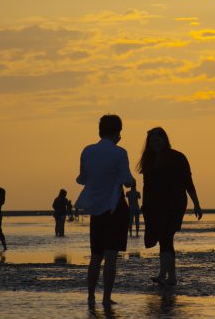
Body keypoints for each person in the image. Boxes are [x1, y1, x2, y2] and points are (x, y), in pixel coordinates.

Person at [76, 114, 135, 306]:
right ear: (118, 132)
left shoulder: (87, 151)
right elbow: (127, 180)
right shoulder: (119, 152)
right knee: (111, 257)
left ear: (100, 130)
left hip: (97, 209)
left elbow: (83, 178)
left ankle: (91, 295)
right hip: (115, 208)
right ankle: (106, 298)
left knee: (95, 256)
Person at [138, 126, 203, 286]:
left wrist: (196, 203)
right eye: (151, 141)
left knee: (166, 237)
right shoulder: (149, 159)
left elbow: (188, 182)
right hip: (154, 206)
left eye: (157, 140)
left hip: (174, 204)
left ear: (165, 140)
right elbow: (146, 186)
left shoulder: (178, 157)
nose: (154, 144)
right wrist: (144, 206)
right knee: (163, 240)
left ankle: (169, 277)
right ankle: (167, 276)